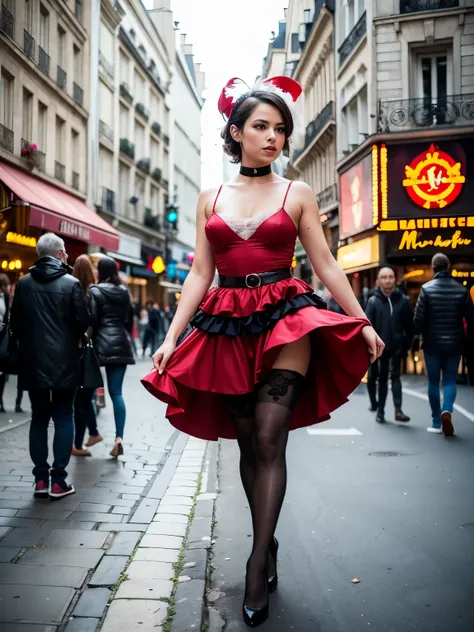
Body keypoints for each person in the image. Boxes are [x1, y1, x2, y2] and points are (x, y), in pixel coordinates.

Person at [141, 76, 384, 627]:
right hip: (226, 327)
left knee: (271, 439)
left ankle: (255, 563)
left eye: (280, 129)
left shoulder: (296, 193)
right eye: (261, 127)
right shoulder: (212, 197)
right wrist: (171, 337)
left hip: (286, 319)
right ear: (236, 133)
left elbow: (324, 265)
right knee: (248, 444)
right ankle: (267, 541)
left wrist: (361, 320)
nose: (273, 137)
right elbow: (201, 271)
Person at [10, 233, 89, 499]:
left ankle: (40, 480)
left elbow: (16, 324)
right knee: (64, 417)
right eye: (65, 252)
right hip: (65, 362)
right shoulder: (72, 284)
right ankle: (59, 481)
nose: (67, 256)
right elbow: (82, 323)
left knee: (39, 418)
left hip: (32, 362)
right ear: (57, 255)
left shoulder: (23, 284)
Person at [414, 253, 474, 435]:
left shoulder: (426, 289)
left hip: (432, 344)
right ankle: (446, 410)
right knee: (449, 380)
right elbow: (471, 319)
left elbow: (418, 321)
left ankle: (436, 422)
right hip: (455, 344)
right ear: (448, 267)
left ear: (433, 268)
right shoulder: (461, 290)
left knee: (433, 382)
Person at [88, 256, 135, 457]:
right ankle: (119, 437)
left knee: (89, 387)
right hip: (121, 343)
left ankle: (91, 430)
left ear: (100, 271)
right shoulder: (125, 292)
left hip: (100, 344)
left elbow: (93, 320)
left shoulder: (95, 291)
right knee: (117, 393)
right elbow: (129, 320)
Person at [365, 266, 414, 424]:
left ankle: (398, 410)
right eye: (384, 277)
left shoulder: (403, 301)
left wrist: (406, 344)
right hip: (380, 348)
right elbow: (368, 325)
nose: (388, 280)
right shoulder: (373, 301)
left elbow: (410, 327)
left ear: (395, 279)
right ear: (378, 280)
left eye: (391, 276)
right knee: (382, 379)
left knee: (396, 377)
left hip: (398, 347)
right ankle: (380, 411)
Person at [71, 254, 102, 456]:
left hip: (81, 351)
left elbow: (90, 322)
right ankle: (79, 443)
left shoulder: (80, 292)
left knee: (80, 399)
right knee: (83, 399)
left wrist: (82, 338)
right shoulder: (93, 292)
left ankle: (90, 434)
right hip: (91, 352)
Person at [0, 273, 25, 413]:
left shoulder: (21, 301)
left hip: (18, 342)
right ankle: (1, 402)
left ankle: (18, 403)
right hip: (8, 341)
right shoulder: (5, 299)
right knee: (3, 373)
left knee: (20, 373)